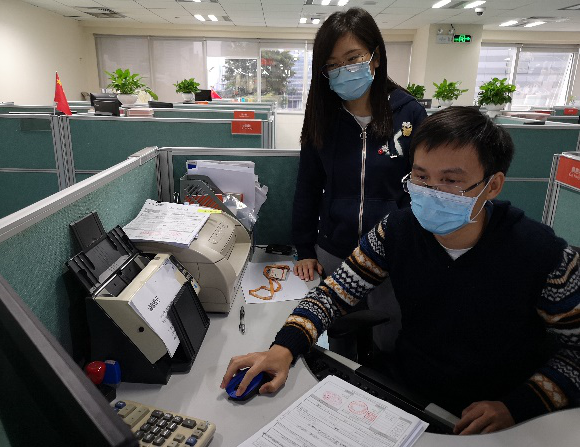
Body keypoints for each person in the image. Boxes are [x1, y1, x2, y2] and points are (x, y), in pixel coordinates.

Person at [222, 107, 580, 435]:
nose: (432, 192)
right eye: (421, 177)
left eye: (451, 181)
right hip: (411, 392)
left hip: (500, 413)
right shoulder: (396, 230)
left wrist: (520, 405)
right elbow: (332, 294)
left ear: (493, 185)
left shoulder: (544, 255)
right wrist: (283, 348)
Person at [292, 7, 427, 355]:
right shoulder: (323, 115)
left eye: (353, 58)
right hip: (334, 250)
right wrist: (304, 249)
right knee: (340, 343)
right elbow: (307, 186)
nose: (344, 70)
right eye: (332, 64)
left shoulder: (409, 113)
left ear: (375, 57)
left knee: (391, 343)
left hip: (392, 254)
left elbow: (424, 186)